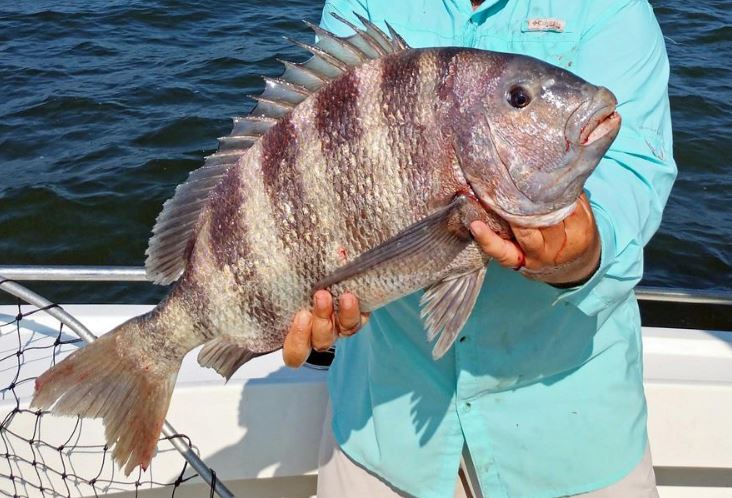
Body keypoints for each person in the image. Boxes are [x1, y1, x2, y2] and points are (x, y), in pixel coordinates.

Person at [284, 1, 677, 497]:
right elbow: (305, 149)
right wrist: (310, 294)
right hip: (382, 429)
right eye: (521, 98)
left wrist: (583, 253)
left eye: (518, 97)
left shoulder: (613, 8)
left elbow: (637, 176)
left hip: (567, 439)